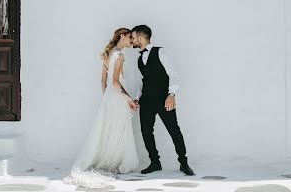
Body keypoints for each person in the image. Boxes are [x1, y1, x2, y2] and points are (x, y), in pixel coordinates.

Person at [64, 27, 140, 188]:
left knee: (108, 129)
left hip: (110, 97)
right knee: (118, 129)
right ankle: (116, 161)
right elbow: (115, 81)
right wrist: (129, 99)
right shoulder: (119, 55)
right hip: (118, 96)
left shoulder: (108, 53)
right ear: (122, 36)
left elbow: (103, 81)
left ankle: (109, 159)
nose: (132, 41)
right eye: (130, 38)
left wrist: (107, 97)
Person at [130, 24, 194, 176]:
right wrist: (137, 98)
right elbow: (141, 82)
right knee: (146, 131)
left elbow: (173, 74)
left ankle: (183, 163)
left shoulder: (160, 52)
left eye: (133, 37)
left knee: (174, 130)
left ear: (140, 38)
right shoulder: (139, 59)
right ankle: (155, 162)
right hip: (146, 101)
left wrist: (171, 95)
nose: (131, 41)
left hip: (163, 100)